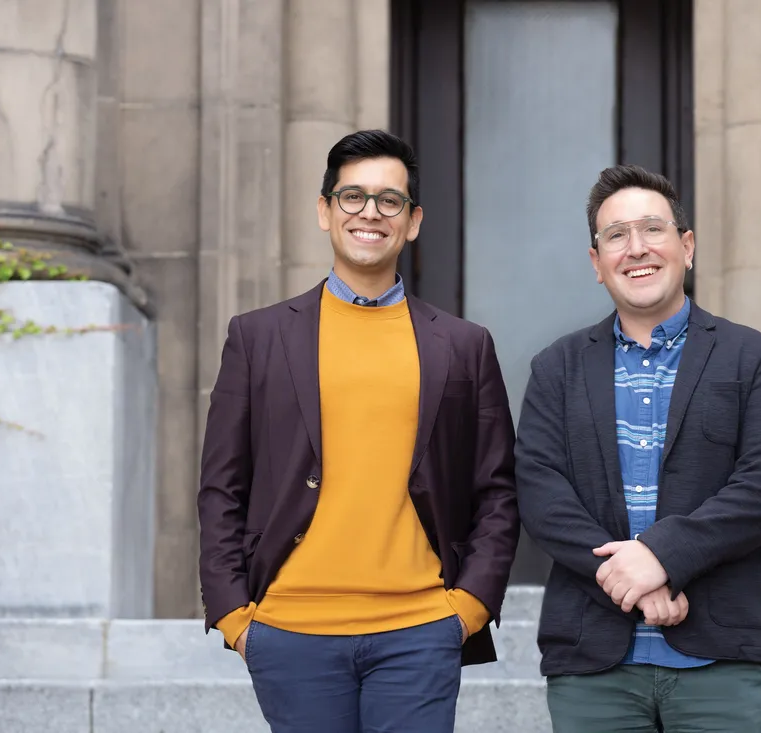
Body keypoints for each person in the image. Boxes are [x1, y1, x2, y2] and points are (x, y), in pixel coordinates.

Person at [197, 129, 520, 733]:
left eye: (389, 200)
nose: (370, 212)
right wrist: (233, 614)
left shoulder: (464, 345)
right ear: (325, 211)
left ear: (413, 220)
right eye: (352, 196)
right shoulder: (258, 336)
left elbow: (497, 489)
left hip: (420, 629)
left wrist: (470, 605)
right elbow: (221, 483)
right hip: (290, 630)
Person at [514, 164, 761, 732]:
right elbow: (541, 492)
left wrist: (662, 556)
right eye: (615, 236)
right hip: (593, 664)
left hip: (720, 659)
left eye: (652, 229)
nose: (636, 248)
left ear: (686, 246)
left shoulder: (754, 358)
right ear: (597, 263)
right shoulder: (556, 368)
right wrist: (634, 581)